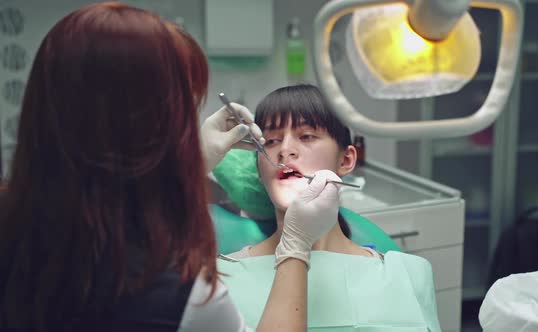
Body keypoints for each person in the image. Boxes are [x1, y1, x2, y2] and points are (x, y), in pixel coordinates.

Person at [0, 3, 340, 331]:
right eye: (184, 117)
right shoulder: (176, 297)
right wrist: (295, 246)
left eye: (307, 136)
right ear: (147, 136)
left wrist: (183, 169)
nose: (285, 152)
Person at [221, 84, 442, 331]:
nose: (285, 151)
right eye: (271, 141)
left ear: (346, 160)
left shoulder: (409, 275)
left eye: (307, 136)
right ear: (259, 169)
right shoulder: (221, 279)